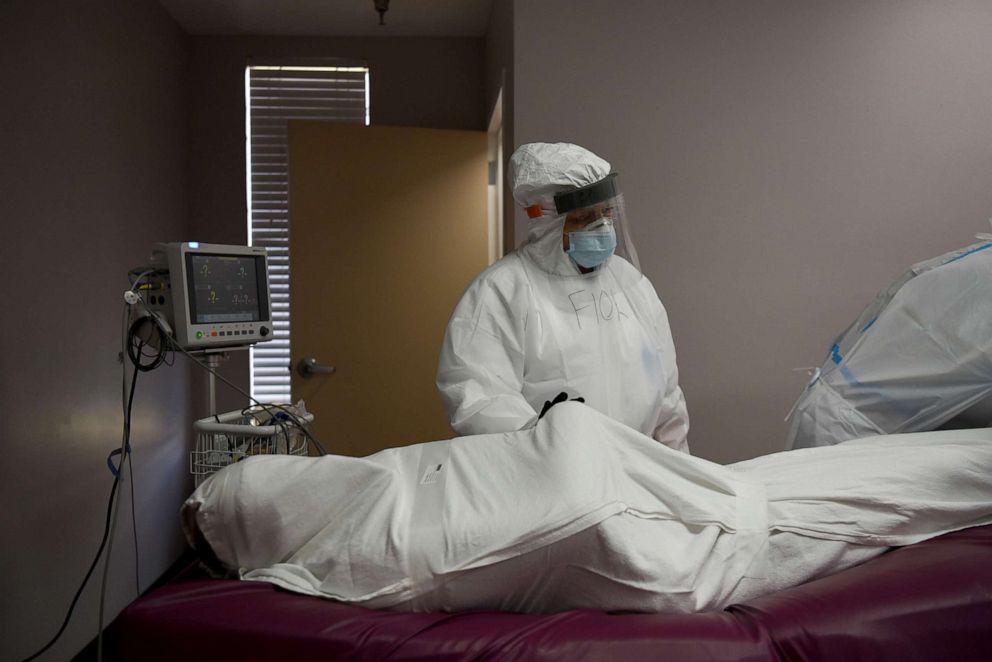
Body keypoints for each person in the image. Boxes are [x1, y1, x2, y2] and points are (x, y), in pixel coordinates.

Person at [436, 142, 689, 452]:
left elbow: (667, 395)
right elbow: (478, 399)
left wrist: (678, 468)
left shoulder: (631, 285)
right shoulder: (502, 291)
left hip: (640, 473)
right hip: (550, 479)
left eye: (607, 213)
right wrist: (552, 445)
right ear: (546, 221)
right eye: (585, 217)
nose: (603, 226)